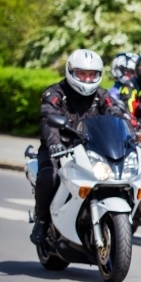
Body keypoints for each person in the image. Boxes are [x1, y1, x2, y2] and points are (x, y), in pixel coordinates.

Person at [30, 49, 132, 245]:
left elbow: (118, 115)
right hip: (61, 148)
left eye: (91, 74)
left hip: (90, 149)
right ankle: (41, 221)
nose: (86, 79)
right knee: (49, 175)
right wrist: (55, 144)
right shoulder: (54, 94)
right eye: (82, 74)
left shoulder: (102, 96)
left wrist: (134, 139)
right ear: (71, 72)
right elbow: (47, 120)